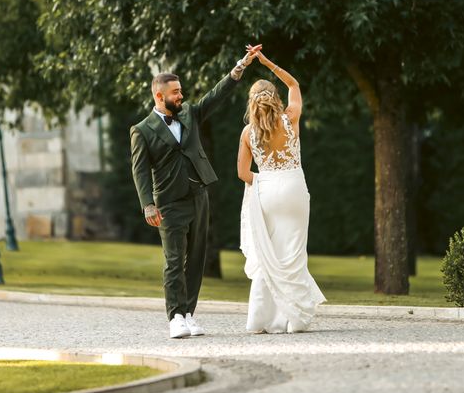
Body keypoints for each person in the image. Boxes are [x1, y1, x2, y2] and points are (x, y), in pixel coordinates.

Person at [131, 44, 261, 338]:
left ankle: (188, 313)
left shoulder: (189, 113)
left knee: (198, 256)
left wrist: (238, 69)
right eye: (175, 92)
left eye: (181, 90)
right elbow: (139, 170)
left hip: (199, 196)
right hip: (168, 203)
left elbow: (214, 96)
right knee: (174, 261)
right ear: (159, 95)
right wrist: (148, 205)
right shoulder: (142, 130)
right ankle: (174, 317)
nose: (181, 95)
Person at [237, 48, 326, 334]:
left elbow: (241, 173)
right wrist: (266, 62)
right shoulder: (290, 118)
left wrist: (265, 181)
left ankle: (259, 321)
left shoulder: (248, 133)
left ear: (252, 103)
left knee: (268, 255)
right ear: (274, 99)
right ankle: (295, 320)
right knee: (293, 253)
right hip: (294, 187)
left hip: (266, 191)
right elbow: (294, 84)